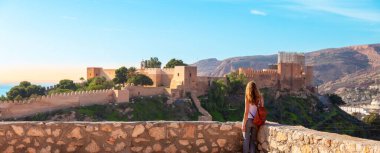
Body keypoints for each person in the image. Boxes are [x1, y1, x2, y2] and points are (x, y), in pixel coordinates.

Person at [242, 81, 264, 153]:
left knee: (246, 139)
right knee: (253, 140)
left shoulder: (247, 97)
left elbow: (246, 112)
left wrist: (243, 124)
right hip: (256, 121)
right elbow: (262, 109)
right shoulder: (260, 97)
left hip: (248, 120)